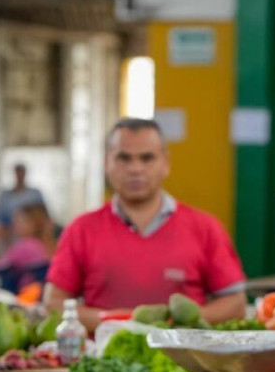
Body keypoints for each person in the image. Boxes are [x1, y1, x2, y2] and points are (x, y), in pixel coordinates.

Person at [44, 118, 247, 331]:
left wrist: (173, 325)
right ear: (107, 163)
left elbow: (235, 304)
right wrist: (113, 323)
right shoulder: (81, 230)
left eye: (146, 158)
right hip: (105, 359)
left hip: (184, 361)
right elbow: (53, 304)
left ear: (166, 163)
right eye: (124, 158)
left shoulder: (205, 228)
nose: (135, 168)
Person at [0, 204, 55, 293]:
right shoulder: (48, 244)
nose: (14, 226)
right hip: (41, 294)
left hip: (25, 295)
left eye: (18, 222)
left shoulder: (25, 246)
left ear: (32, 224)